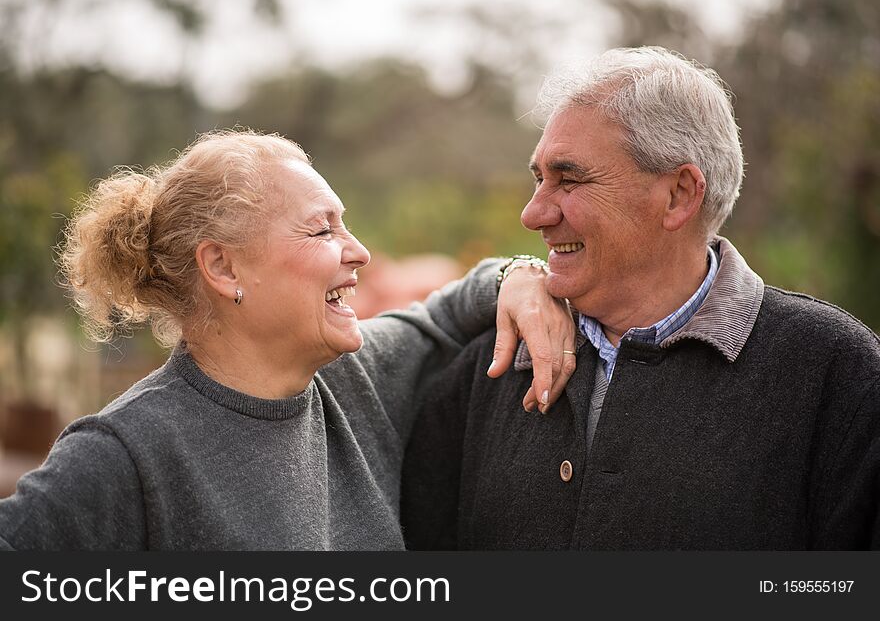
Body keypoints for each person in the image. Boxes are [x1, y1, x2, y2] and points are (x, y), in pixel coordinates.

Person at [0, 129, 575, 550]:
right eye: (322, 229)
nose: (359, 252)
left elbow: (449, 313)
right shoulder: (125, 451)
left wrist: (519, 275)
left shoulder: (358, 376)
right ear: (223, 268)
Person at [401, 46, 880, 550]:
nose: (533, 212)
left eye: (569, 179)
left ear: (679, 195)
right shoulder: (489, 366)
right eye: (539, 178)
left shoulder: (836, 373)